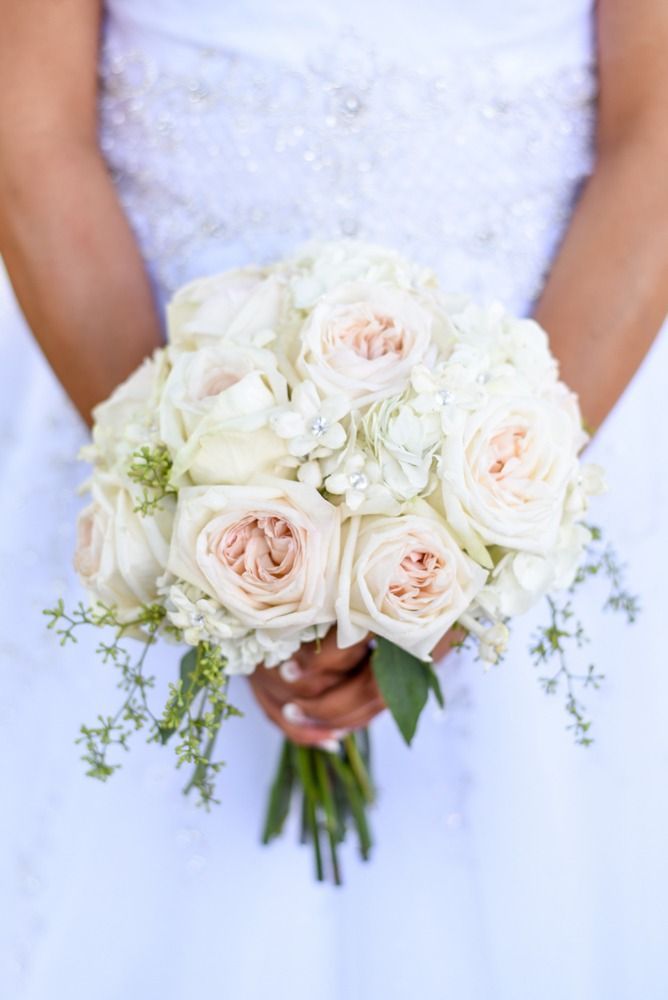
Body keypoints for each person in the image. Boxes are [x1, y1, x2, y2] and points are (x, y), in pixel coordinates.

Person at [0, 1, 666, 998]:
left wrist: (478, 520)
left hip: (558, 377)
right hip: (139, 366)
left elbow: (651, 133)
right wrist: (195, 524)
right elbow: (30, 129)